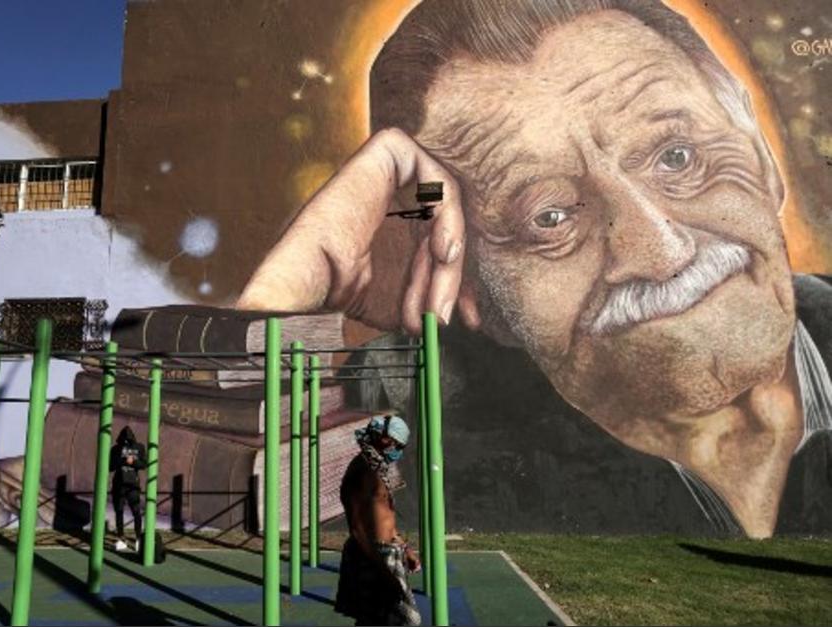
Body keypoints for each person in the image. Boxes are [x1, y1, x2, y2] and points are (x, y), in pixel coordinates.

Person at [238, 0, 832, 538]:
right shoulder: (403, 411)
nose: (663, 251)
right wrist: (296, 279)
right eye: (549, 217)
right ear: (469, 289)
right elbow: (216, 523)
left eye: (678, 157)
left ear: (761, 155)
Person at [335, 415, 421, 626]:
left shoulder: (376, 469)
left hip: (386, 554)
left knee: (377, 619)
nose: (397, 450)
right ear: (382, 437)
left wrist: (405, 549)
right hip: (373, 556)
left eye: (401, 447)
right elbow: (358, 528)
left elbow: (384, 520)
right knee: (404, 619)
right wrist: (383, 571)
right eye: (396, 444)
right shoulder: (362, 470)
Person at [110, 426, 147, 552]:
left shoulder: (139, 447)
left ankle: (138, 539)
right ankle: (121, 538)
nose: (126, 439)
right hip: (118, 485)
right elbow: (110, 466)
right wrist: (122, 460)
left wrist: (133, 462)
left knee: (136, 511)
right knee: (119, 511)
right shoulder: (115, 449)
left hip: (132, 485)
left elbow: (144, 464)